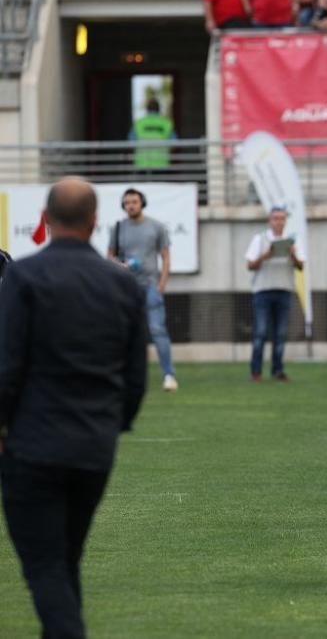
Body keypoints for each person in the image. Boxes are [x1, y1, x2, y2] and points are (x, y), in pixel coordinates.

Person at [0, 178, 147, 639]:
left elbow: (7, 366)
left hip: (31, 447)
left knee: (44, 565)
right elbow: (136, 377)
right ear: (95, 222)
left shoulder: (22, 277)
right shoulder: (123, 284)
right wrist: (112, 422)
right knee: (64, 561)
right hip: (94, 447)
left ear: (44, 220)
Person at [108, 188, 178, 392]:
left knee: (157, 330)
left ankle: (169, 375)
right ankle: (124, 375)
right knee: (124, 333)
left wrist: (162, 283)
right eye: (127, 202)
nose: (131, 205)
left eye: (134, 201)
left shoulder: (156, 227)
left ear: (142, 203)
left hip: (150, 286)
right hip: (125, 287)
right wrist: (119, 265)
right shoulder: (118, 228)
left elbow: (165, 256)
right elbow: (110, 256)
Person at [245, 206, 305, 382]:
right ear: (269, 221)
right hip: (262, 291)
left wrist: (293, 255)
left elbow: (301, 266)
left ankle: (277, 370)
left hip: (284, 290)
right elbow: (249, 265)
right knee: (261, 332)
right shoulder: (259, 239)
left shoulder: (293, 241)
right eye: (275, 218)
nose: (279, 222)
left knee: (280, 333)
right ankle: (256, 371)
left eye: (282, 218)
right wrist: (265, 256)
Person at [129, 98, 176, 171]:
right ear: (159, 109)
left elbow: (131, 143)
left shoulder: (138, 123)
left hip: (142, 165)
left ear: (147, 109)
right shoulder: (166, 123)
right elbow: (174, 144)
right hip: (161, 165)